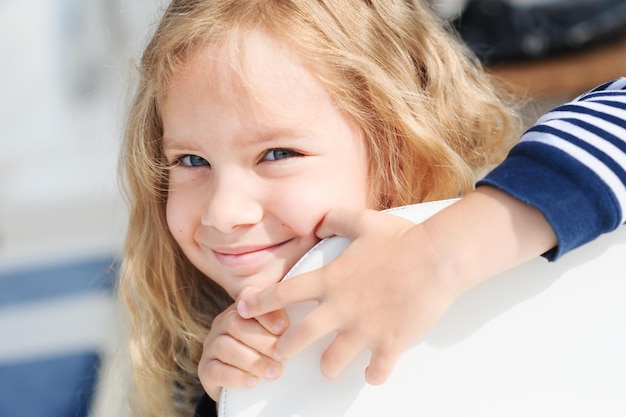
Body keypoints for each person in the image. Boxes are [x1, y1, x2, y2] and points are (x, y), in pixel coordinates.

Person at [117, 1, 625, 417]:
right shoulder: (206, 350)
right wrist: (229, 401)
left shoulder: (507, 255)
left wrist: (437, 254)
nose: (223, 213)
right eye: (191, 160)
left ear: (400, 148)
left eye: (277, 154)